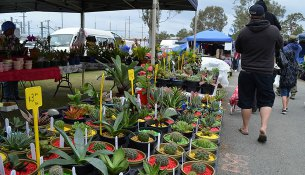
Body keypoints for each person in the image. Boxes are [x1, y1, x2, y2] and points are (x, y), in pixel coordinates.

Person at [235, 4, 283, 143]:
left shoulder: (244, 31)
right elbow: (280, 45)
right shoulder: (273, 30)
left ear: (250, 15)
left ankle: (245, 128)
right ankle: (263, 127)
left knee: (246, 100)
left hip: (247, 71)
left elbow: (239, 48)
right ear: (264, 15)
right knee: (266, 100)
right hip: (266, 73)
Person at [1, 21, 24, 101]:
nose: (12, 31)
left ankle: (15, 95)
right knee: (8, 78)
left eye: (13, 29)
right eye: (11, 29)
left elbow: (17, 48)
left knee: (15, 78)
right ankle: (7, 97)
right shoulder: (1, 38)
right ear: (5, 30)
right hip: (5, 62)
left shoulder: (14, 38)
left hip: (14, 60)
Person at [279, 35, 300, 114]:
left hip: (285, 69)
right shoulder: (299, 48)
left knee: (284, 90)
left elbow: (281, 59)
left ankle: (284, 108)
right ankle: (286, 107)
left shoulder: (285, 48)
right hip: (294, 69)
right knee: (288, 90)